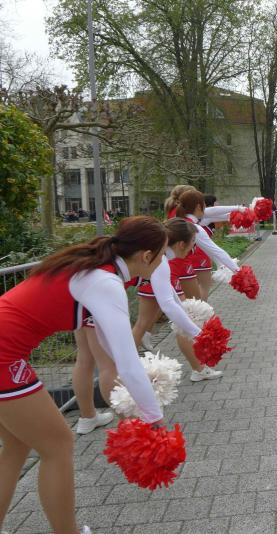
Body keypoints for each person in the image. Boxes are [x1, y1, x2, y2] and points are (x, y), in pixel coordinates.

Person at [0, 217, 166, 534]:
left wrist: (137, 400)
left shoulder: (96, 269)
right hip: (3, 356)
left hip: (5, 352)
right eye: (162, 256)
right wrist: (155, 419)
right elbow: (127, 362)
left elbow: (112, 348)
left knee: (18, 445)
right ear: (147, 256)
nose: (163, 263)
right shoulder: (105, 282)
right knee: (58, 445)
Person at [130, 218, 222, 381]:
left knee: (115, 358)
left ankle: (128, 370)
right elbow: (168, 305)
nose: (194, 247)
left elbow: (171, 297)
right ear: (181, 244)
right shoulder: (161, 261)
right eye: (193, 242)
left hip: (101, 290)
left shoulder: (162, 257)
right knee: (112, 363)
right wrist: (200, 335)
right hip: (99, 292)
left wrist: (194, 327)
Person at [175, 190, 241, 299]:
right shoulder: (193, 227)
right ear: (198, 206)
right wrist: (239, 272)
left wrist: (240, 209)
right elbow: (216, 251)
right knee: (197, 302)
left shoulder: (183, 219)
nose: (206, 208)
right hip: (181, 266)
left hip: (173, 267)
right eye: (204, 205)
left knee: (188, 302)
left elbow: (214, 212)